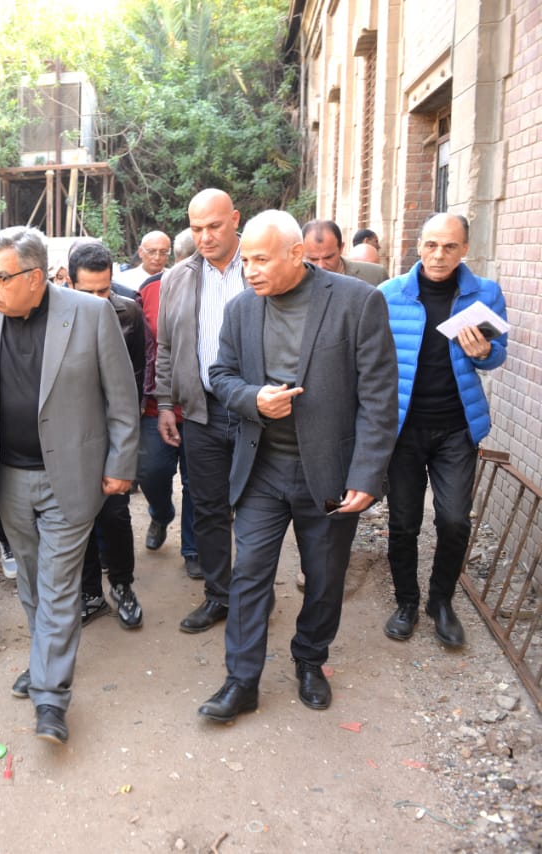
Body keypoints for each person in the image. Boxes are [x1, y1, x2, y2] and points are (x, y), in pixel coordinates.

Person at [0, 226, 140, 744]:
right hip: (5, 477)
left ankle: (50, 695)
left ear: (34, 278)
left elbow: (122, 398)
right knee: (29, 579)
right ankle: (43, 659)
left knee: (57, 583)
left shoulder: (90, 314)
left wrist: (122, 462)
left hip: (70, 476)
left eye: (0, 277)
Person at [198, 210, 398, 722]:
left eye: (261, 260)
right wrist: (253, 398)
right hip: (263, 469)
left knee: (325, 576)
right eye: (246, 260)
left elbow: (379, 398)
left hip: (330, 474)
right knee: (249, 574)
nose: (250, 271)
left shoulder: (357, 301)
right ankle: (241, 681)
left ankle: (310, 660)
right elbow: (220, 374)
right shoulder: (241, 309)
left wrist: (366, 474)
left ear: (295, 254)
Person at [378, 212, 509, 648]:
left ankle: (441, 602)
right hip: (404, 429)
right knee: (403, 522)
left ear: (464, 249)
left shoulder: (484, 293)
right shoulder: (389, 295)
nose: (439, 255)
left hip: (456, 428)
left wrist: (484, 351)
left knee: (453, 520)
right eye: (432, 245)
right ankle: (406, 602)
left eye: (450, 246)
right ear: (419, 246)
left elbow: (496, 356)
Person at [155, 188, 246, 634]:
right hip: (201, 412)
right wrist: (166, 403)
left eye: (214, 226)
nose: (205, 237)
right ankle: (219, 595)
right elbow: (166, 347)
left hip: (256, 414)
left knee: (257, 509)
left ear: (235, 219)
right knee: (208, 508)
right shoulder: (178, 277)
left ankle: (252, 594)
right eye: (196, 228)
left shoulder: (260, 266)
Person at [68, 240, 146, 628]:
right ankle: (89, 594)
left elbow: (134, 382)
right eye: (89, 292)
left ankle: (122, 585)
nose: (99, 301)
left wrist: (126, 444)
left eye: (105, 290)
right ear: (69, 283)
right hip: (68, 434)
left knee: (115, 513)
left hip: (111, 430)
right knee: (76, 516)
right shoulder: (51, 314)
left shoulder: (129, 311)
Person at [138, 239, 199, 579]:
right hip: (155, 406)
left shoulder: (220, 292)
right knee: (152, 472)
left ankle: (193, 548)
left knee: (197, 482)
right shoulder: (149, 290)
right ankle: (161, 515)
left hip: (201, 408)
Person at [301, 220, 387, 285]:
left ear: (341, 248)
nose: (321, 265)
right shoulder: (296, 282)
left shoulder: (375, 276)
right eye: (313, 259)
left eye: (328, 257)